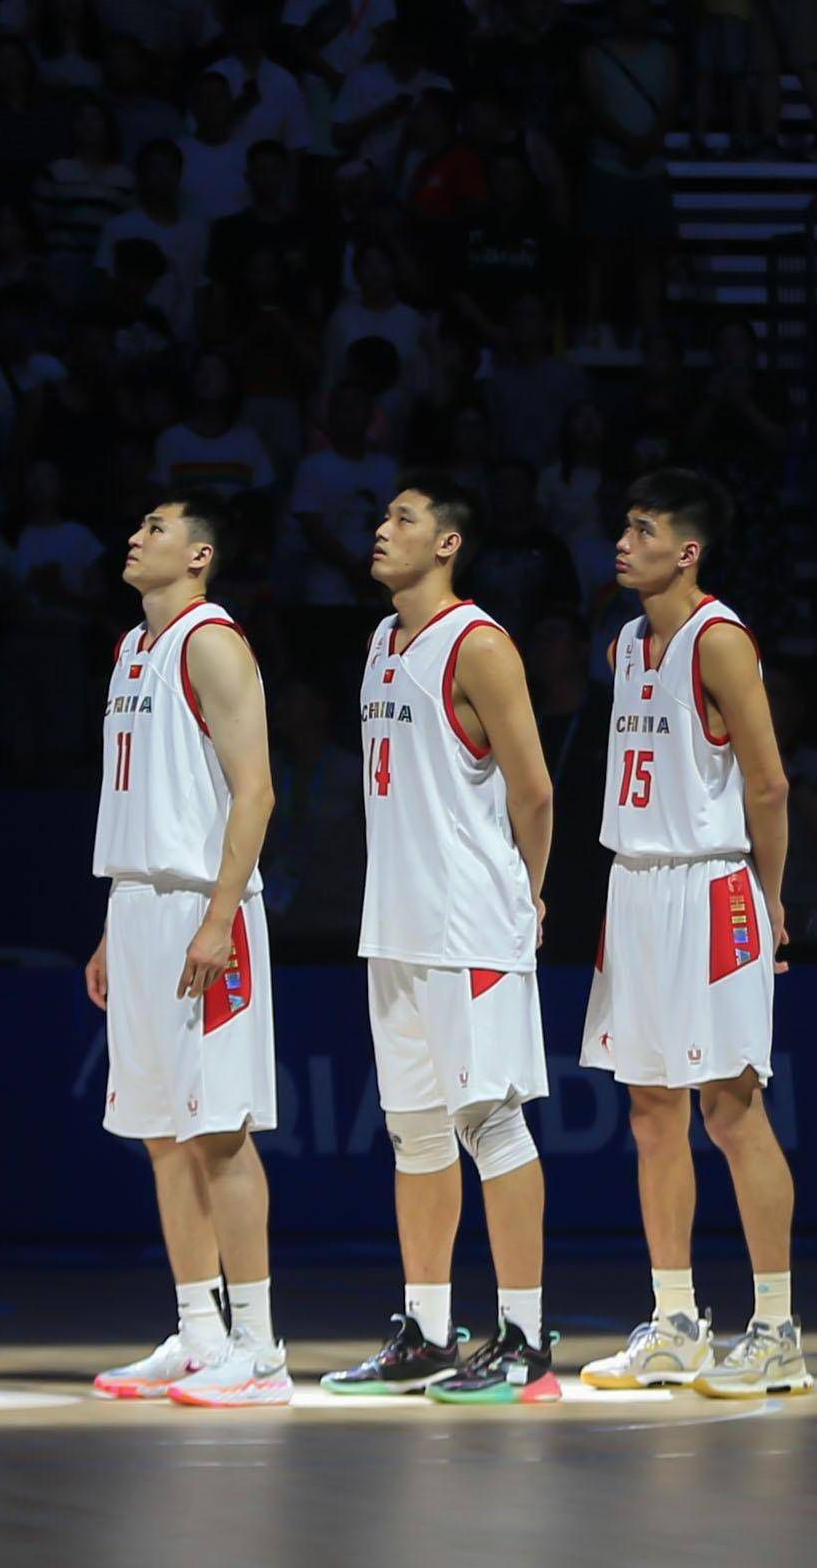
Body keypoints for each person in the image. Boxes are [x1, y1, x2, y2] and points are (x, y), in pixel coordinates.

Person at [320, 479, 562, 1404]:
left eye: (403, 520)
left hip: (472, 920)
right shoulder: (383, 643)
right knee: (414, 1133)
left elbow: (535, 790)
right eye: (380, 517)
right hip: (398, 924)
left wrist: (526, 894)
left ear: (450, 541)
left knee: (492, 1123)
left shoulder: (480, 643)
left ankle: (528, 1339)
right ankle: (425, 1331)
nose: (381, 530)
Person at [573, 470, 807, 1398]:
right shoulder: (628, 642)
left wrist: (772, 897)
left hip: (710, 885)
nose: (623, 542)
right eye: (624, 526)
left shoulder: (719, 638)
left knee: (731, 1106)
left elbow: (771, 782)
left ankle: (778, 1328)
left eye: (643, 528)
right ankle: (675, 1319)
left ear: (689, 549)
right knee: (650, 1111)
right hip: (634, 885)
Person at [84, 494, 289, 1408]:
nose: (135, 535)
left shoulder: (212, 640)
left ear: (200, 554)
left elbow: (256, 792)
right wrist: (112, 922)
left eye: (156, 528)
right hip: (139, 905)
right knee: (163, 1135)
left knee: (221, 1130)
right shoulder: (133, 648)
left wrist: (216, 916)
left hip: (206, 909)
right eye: (134, 526)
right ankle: (200, 1333)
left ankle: (260, 1343)